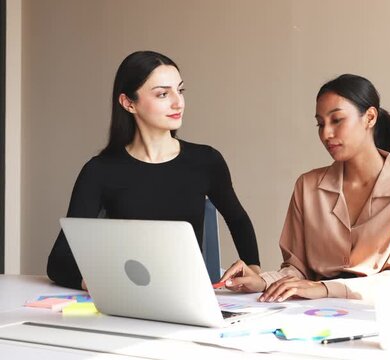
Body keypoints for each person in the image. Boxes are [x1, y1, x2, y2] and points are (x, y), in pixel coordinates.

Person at [47, 51, 260, 290]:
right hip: (129, 299)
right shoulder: (99, 171)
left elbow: (238, 220)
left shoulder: (206, 161)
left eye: (180, 90)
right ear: (128, 103)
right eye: (162, 94)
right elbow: (59, 261)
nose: (178, 102)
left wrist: (255, 270)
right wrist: (107, 286)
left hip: (187, 295)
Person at [218, 74, 390, 302]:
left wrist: (323, 288)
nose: (325, 134)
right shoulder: (307, 187)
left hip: (379, 316)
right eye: (320, 124)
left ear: (369, 117)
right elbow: (296, 270)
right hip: (311, 315)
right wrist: (261, 280)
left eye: (337, 120)